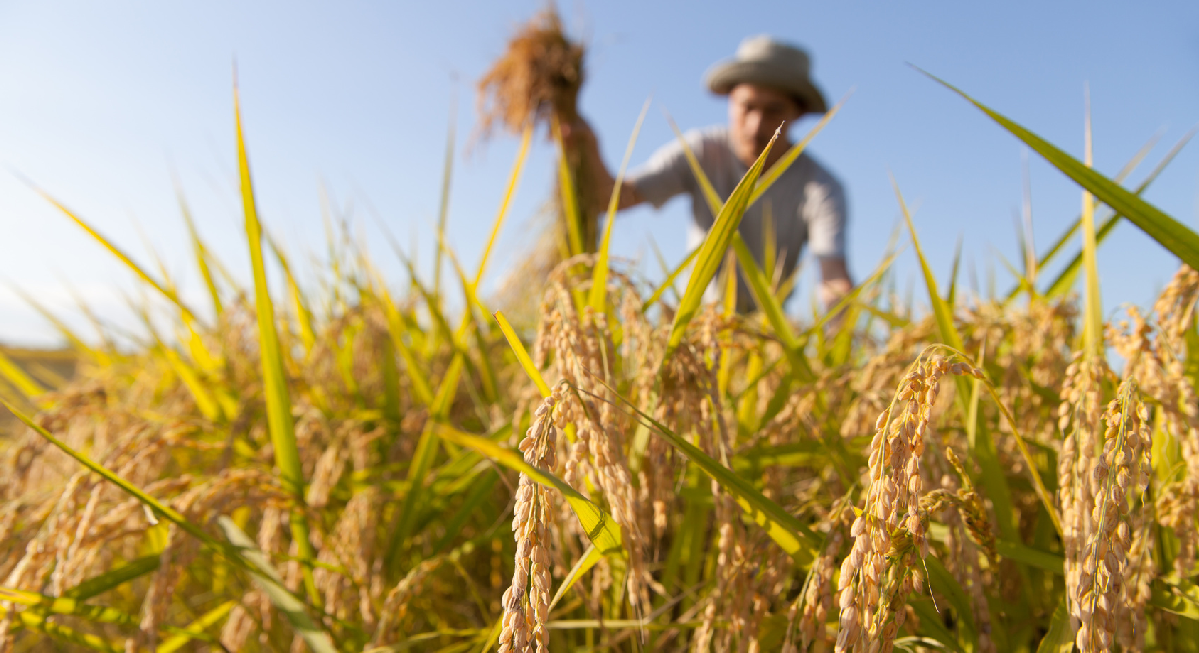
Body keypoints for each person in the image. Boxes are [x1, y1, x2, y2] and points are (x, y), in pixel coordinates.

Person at [565, 35, 853, 316]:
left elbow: (832, 275)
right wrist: (586, 148)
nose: (756, 125)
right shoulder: (701, 152)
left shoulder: (820, 187)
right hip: (698, 319)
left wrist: (839, 335)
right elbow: (613, 198)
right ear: (730, 101)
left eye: (773, 111)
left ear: (798, 113)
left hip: (766, 332)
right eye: (747, 106)